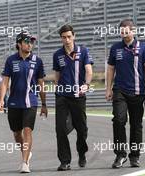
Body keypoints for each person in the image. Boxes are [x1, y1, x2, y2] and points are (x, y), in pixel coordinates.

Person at [105, 19, 145, 168]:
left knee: (136, 124)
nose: (124, 34)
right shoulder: (115, 48)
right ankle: (120, 155)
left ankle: (134, 156)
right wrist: (108, 88)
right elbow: (110, 69)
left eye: (127, 31)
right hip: (120, 90)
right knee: (119, 120)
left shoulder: (143, 47)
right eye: (122, 32)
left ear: (133, 31)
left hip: (138, 92)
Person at [0, 31, 48, 173]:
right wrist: (2, 99)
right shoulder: (10, 60)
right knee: (16, 133)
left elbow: (41, 84)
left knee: (27, 130)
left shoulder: (37, 61)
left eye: (31, 41)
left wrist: (44, 104)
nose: (30, 44)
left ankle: (25, 162)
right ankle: (26, 152)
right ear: (19, 44)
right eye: (27, 41)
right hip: (14, 102)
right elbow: (5, 81)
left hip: (31, 102)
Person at [53, 24, 93, 171]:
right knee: (60, 129)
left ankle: (82, 153)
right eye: (64, 37)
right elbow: (57, 74)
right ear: (61, 39)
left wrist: (86, 85)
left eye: (69, 36)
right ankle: (65, 161)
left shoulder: (83, 51)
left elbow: (89, 70)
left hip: (78, 96)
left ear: (74, 36)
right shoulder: (57, 54)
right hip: (62, 96)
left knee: (82, 129)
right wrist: (57, 89)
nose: (67, 40)